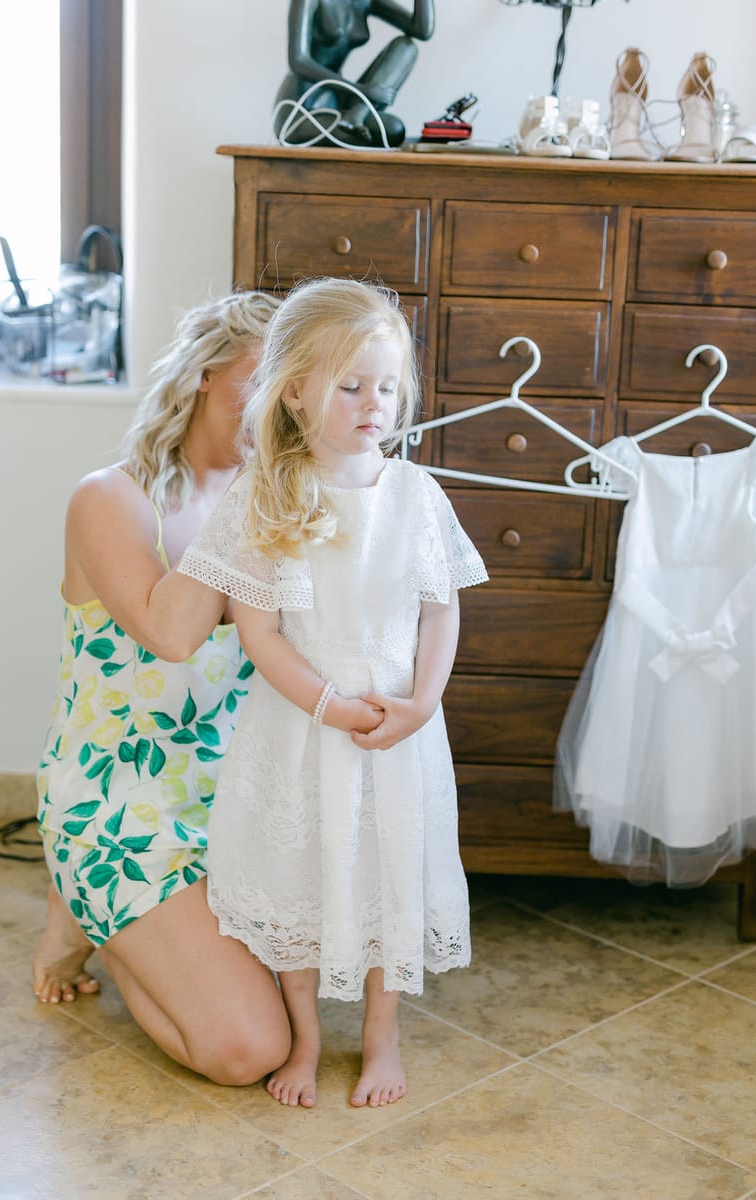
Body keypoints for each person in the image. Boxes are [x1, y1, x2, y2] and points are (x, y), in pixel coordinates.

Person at [176, 277, 489, 1108]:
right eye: (350, 387)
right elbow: (260, 633)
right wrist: (327, 706)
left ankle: (383, 1036)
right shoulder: (264, 496)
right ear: (296, 393)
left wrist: (420, 704)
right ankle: (307, 1039)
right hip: (304, 730)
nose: (373, 404)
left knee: (389, 874)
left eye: (387, 387)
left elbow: (440, 610)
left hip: (397, 730)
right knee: (300, 877)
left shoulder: (416, 497)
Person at [33, 290, 293, 1087]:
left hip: (231, 801)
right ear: (208, 373)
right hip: (118, 799)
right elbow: (172, 633)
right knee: (248, 1052)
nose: (279, 411)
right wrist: (256, 503)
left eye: (295, 395)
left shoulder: (274, 504)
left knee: (312, 993)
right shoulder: (108, 498)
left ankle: (97, 917)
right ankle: (91, 913)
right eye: (265, 382)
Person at [274, 0, 435, 147]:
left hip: (341, 104)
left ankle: (357, 114)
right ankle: (353, 119)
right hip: (303, 108)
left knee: (406, 47)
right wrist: (359, 89)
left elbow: (422, 31)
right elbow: (297, 61)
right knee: (391, 130)